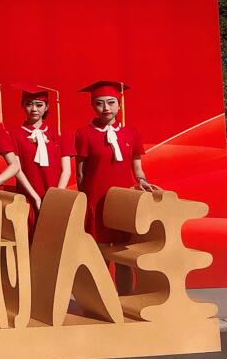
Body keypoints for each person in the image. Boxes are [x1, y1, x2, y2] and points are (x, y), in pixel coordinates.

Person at [75, 80, 159, 244]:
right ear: (93, 106)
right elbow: (80, 173)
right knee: (98, 247)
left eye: (111, 102)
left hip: (124, 197)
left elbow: (137, 168)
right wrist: (84, 200)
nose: (106, 108)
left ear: (119, 105)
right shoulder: (84, 133)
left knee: (124, 247)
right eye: (99, 103)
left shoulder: (131, 133)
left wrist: (142, 180)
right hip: (96, 198)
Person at [9, 83, 71, 217]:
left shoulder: (59, 133)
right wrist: (35, 197)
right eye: (29, 104)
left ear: (47, 107)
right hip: (27, 194)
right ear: (22, 105)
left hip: (55, 194)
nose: (34, 109)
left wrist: (56, 196)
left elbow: (66, 170)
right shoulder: (14, 134)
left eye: (39, 105)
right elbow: (17, 169)